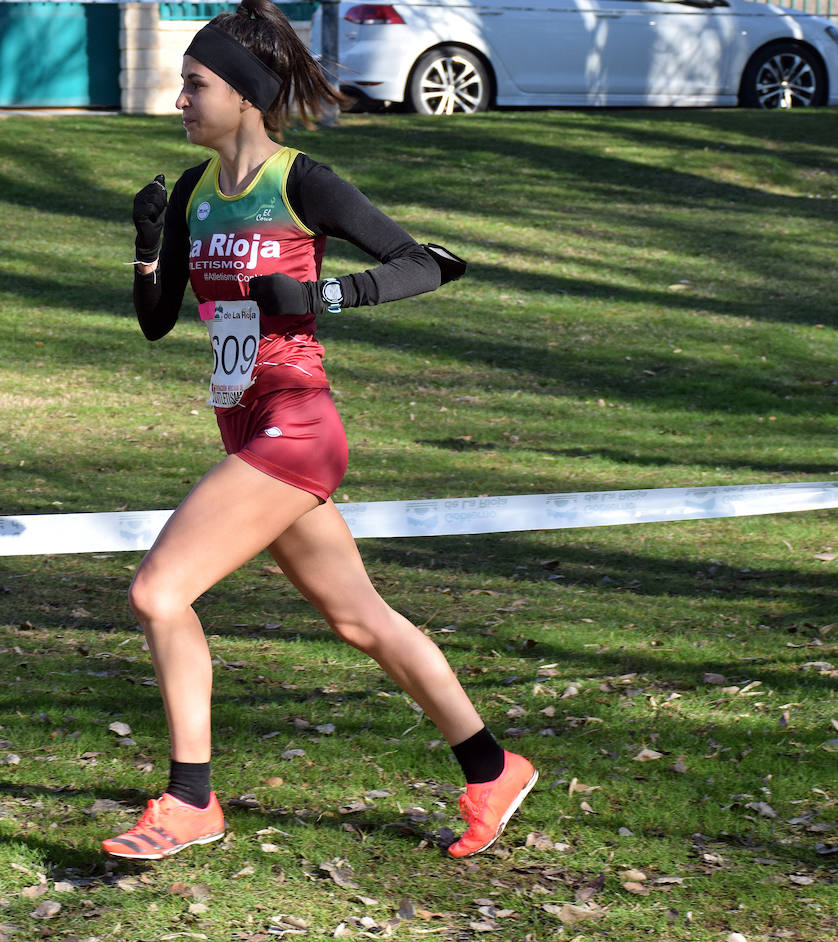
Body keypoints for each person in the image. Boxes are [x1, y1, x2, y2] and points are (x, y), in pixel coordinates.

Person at [102, 0, 535, 861]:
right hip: (246, 427)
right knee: (361, 619)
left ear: (247, 97)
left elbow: (430, 263)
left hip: (297, 427)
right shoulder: (194, 191)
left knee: (159, 591)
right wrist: (150, 243)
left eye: (195, 84)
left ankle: (192, 801)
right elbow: (157, 320)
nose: (179, 99)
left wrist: (323, 298)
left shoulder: (301, 182)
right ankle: (493, 767)